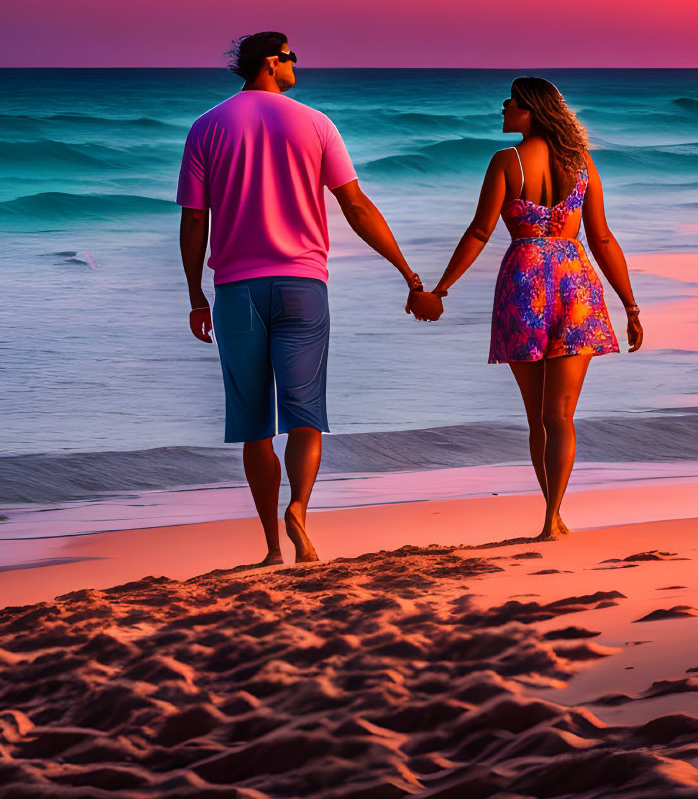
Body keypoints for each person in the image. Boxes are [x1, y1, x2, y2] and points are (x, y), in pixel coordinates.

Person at [178, 32, 425, 565]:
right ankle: (300, 512)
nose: (296, 65)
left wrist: (196, 294)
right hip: (303, 287)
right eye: (291, 57)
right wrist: (406, 271)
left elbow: (195, 218)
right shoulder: (316, 123)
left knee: (253, 424)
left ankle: (270, 546)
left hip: (236, 291)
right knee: (306, 414)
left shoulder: (206, 127)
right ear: (272, 63)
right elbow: (355, 205)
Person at [413, 77, 642, 541]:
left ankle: (551, 518)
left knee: (538, 416)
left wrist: (441, 289)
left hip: (524, 286)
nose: (502, 108)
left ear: (531, 110)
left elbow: (479, 232)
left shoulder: (506, 162)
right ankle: (553, 517)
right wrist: (630, 305)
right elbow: (601, 238)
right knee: (560, 416)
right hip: (575, 284)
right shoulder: (582, 164)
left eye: (510, 102)